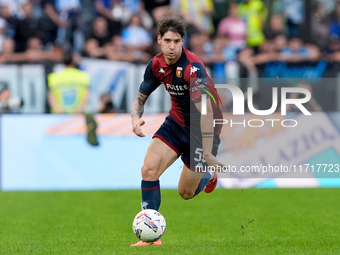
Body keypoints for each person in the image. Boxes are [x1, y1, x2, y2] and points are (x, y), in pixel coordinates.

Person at [130, 17, 224, 246]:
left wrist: (209, 151)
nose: (172, 46)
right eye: (167, 41)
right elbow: (140, 99)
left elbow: (206, 113)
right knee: (148, 169)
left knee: (185, 193)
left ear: (183, 41)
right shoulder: (155, 65)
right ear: (159, 40)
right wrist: (135, 118)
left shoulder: (193, 69)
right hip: (176, 123)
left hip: (203, 130)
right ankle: (151, 237)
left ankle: (209, 175)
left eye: (177, 41)